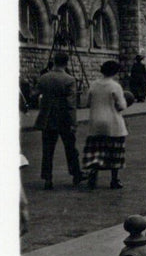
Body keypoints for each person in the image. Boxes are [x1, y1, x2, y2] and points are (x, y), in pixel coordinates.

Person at [34, 52, 84, 189]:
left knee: (47, 150)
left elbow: (34, 94)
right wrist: (73, 123)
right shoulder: (69, 80)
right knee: (71, 148)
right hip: (64, 120)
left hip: (47, 118)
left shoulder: (44, 78)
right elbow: (70, 104)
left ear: (54, 61)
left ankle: (48, 178)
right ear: (66, 62)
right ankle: (76, 174)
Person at [80, 60, 128, 190]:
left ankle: (93, 174)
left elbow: (87, 102)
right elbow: (121, 106)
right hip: (113, 122)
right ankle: (114, 179)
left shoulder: (94, 84)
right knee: (114, 151)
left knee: (96, 150)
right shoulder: (115, 86)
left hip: (95, 121)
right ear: (115, 72)